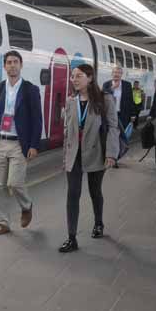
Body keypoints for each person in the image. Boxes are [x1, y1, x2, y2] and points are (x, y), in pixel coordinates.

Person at [0, 50, 43, 236]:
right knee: (0, 185)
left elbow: (37, 120)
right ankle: (3, 223)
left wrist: (34, 145)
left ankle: (26, 205)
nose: (12, 65)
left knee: (14, 183)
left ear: (21, 65)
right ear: (4, 66)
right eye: (9, 62)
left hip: (18, 144)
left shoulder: (31, 90)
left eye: (15, 62)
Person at [59, 64, 118, 253]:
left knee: (95, 191)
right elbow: (67, 131)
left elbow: (113, 127)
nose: (74, 79)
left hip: (96, 152)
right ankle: (72, 238)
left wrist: (111, 153)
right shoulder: (70, 101)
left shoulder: (105, 99)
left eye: (78, 76)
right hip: (74, 153)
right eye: (72, 76)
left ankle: (99, 223)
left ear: (90, 78)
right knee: (72, 194)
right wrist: (65, 157)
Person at [102, 66, 134, 166]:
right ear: (112, 74)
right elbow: (102, 97)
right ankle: (113, 158)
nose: (116, 74)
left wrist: (132, 114)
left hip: (122, 114)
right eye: (115, 72)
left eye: (119, 73)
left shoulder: (127, 85)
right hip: (110, 115)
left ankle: (116, 156)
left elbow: (130, 101)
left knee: (120, 137)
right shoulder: (106, 84)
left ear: (121, 74)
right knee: (112, 136)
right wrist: (112, 88)